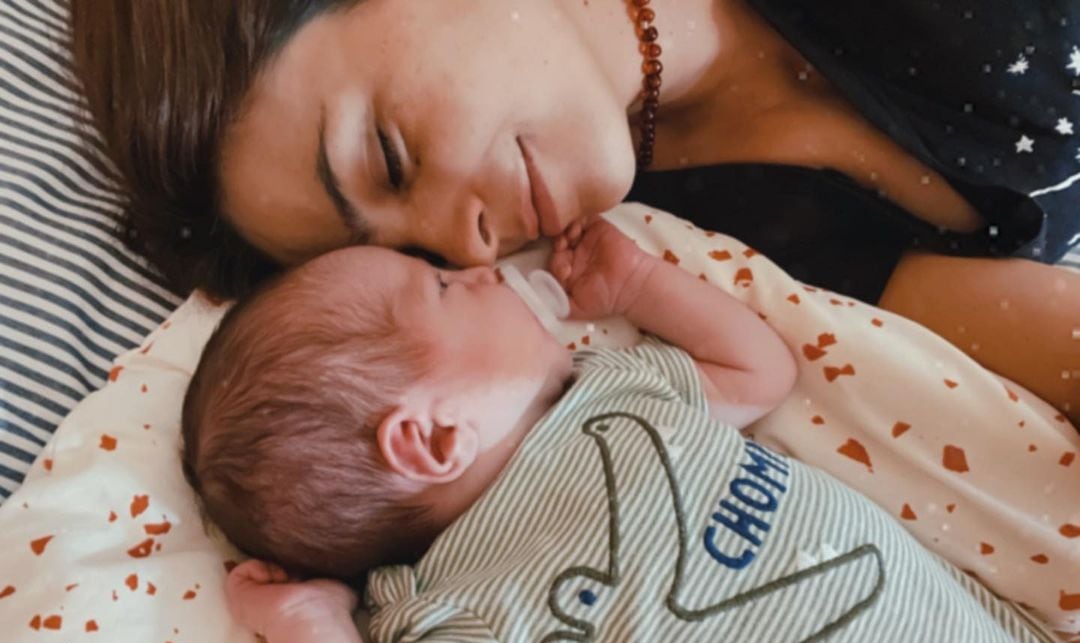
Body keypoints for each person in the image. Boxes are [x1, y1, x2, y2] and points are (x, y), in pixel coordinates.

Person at [184, 217, 1079, 643]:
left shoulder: (612, 391)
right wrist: (307, 626)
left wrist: (640, 286)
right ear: (430, 439)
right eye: (444, 290)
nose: (480, 268)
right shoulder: (464, 611)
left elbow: (758, 372)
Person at [71, 0, 1080, 424]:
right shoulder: (702, 248)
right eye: (412, 255)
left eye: (388, 155)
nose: (469, 246)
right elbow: (1044, 341)